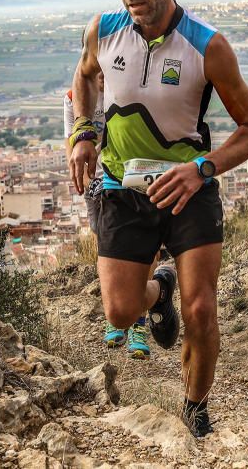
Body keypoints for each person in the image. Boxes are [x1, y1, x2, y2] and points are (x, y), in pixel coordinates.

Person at [68, 0, 248, 437]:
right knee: (119, 312)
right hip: (120, 188)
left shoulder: (207, 46)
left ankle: (195, 408)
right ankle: (158, 292)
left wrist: (201, 169)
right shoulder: (103, 30)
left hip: (188, 187)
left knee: (201, 307)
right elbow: (84, 77)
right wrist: (83, 134)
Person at [63, 75, 154, 359]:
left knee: (148, 245)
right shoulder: (74, 98)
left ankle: (139, 322)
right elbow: (73, 145)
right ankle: (115, 317)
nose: (104, 76)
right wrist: (90, 182)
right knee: (105, 245)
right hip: (100, 179)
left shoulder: (133, 87)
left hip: (138, 172)